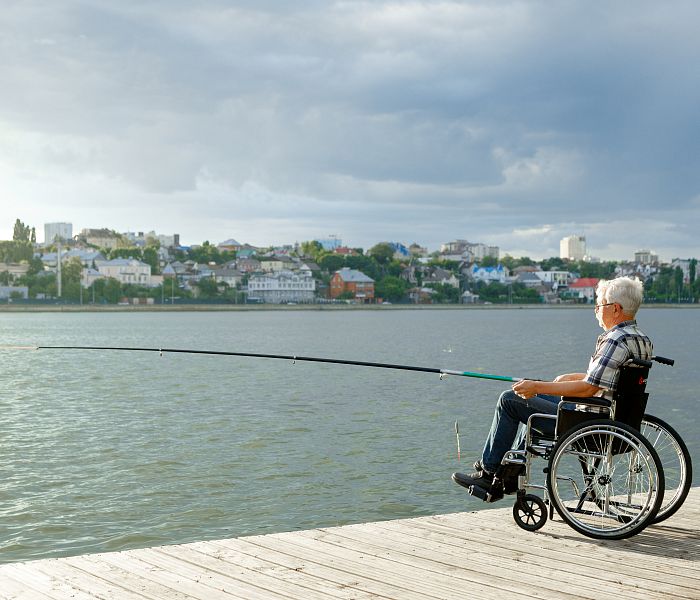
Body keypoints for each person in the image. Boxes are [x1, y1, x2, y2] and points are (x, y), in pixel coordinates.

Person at [452, 276, 653, 495]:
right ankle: (509, 473)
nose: (596, 310)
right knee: (529, 402)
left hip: (588, 422)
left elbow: (588, 388)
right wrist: (570, 378)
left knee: (509, 400)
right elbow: (610, 381)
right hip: (613, 417)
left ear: (615, 308)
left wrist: (538, 387)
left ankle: (489, 472)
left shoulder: (614, 339)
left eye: (600, 305)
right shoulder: (640, 339)